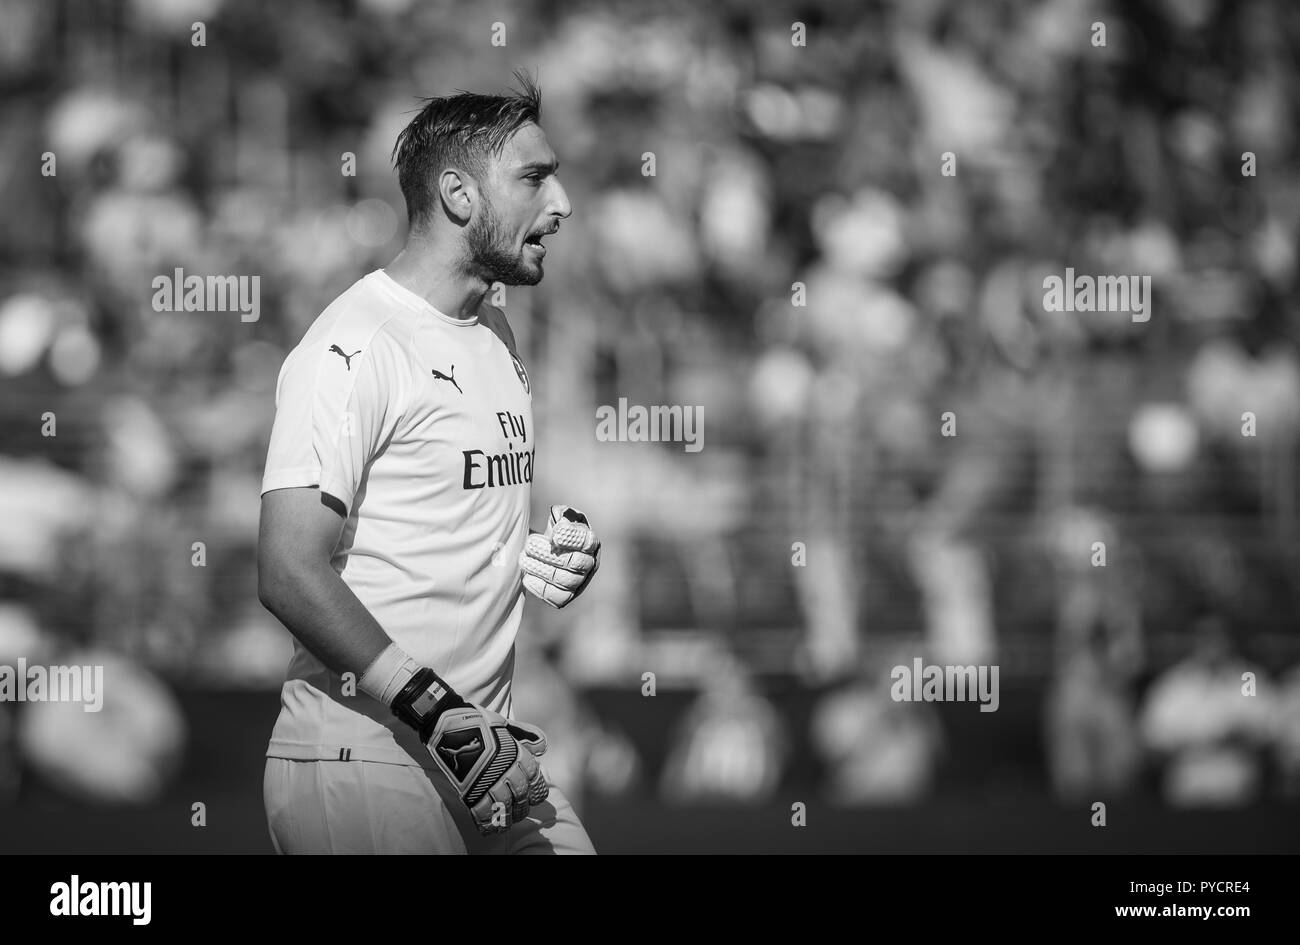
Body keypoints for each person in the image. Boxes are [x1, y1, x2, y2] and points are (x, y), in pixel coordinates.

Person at [256, 72, 600, 854]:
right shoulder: (354, 345)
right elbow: (287, 569)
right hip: (363, 761)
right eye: (535, 177)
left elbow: (443, 516)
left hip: (487, 759)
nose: (563, 203)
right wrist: (439, 714)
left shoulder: (499, 336)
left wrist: (541, 555)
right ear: (458, 194)